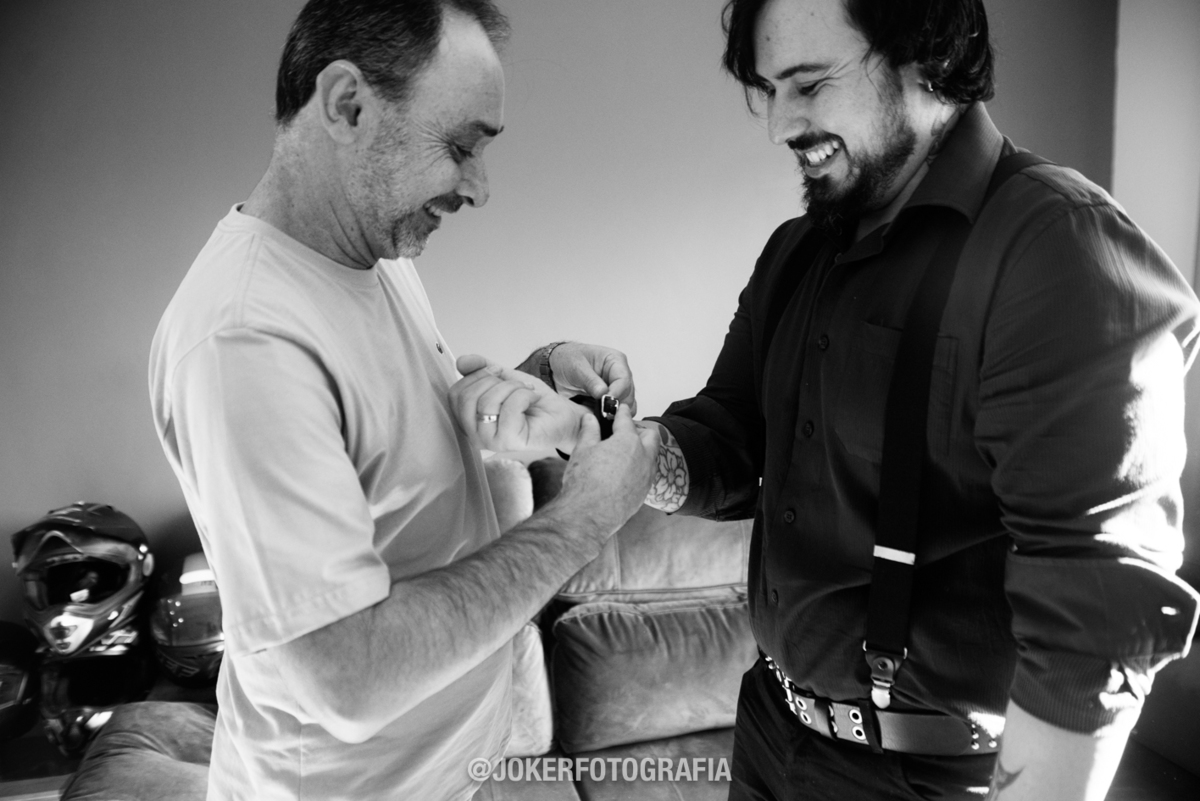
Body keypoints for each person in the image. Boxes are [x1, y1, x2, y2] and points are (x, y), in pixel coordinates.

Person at [461, 0, 1200, 798]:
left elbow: (1096, 613)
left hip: (927, 776)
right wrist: (594, 436)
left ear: (927, 58)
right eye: (771, 90)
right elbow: (726, 443)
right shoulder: (795, 254)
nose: (782, 124)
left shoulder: (1059, 248)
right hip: (769, 735)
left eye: (810, 84)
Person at [148, 2, 658, 799]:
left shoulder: (372, 256)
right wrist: (585, 516)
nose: (479, 189)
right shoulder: (244, 339)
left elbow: (387, 435)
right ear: (347, 104)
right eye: (460, 147)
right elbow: (346, 675)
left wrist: (537, 376)